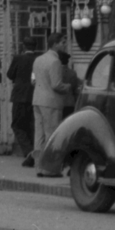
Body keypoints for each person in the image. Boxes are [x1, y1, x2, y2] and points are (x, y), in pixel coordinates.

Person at [31, 34, 70, 175]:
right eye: (63, 42)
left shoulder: (38, 60)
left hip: (37, 99)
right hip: (51, 101)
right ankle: (49, 167)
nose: (65, 45)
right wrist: (68, 87)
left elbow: (33, 80)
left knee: (39, 134)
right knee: (52, 134)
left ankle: (39, 165)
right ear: (55, 44)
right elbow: (56, 85)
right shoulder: (55, 62)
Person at [6, 45, 38, 165]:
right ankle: (33, 151)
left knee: (17, 125)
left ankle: (29, 152)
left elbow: (10, 75)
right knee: (31, 125)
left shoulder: (18, 58)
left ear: (23, 47)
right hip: (33, 95)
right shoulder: (37, 58)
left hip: (19, 96)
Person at [57, 45, 81, 121]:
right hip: (70, 103)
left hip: (58, 103)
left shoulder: (56, 72)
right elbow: (74, 89)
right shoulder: (73, 73)